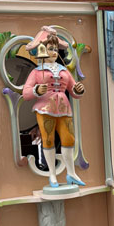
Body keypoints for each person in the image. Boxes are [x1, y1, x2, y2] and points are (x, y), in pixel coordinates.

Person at [22, 27, 85, 188]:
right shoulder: (36, 72)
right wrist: (36, 90)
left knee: (69, 138)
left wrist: (78, 90)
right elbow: (26, 92)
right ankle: (52, 174)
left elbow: (73, 90)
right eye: (50, 49)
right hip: (45, 108)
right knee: (48, 139)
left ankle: (71, 173)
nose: (54, 52)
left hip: (64, 109)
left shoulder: (64, 71)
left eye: (56, 49)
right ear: (42, 50)